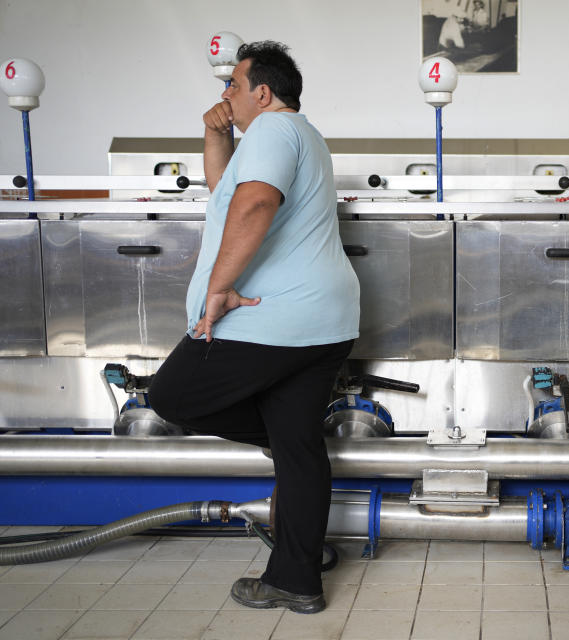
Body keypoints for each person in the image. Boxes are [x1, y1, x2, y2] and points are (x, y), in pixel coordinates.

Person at [150, 40, 360, 614]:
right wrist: (217, 135)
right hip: (324, 321)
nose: (225, 95)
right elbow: (227, 196)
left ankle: (277, 449)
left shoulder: (270, 131)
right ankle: (296, 577)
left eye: (232, 86)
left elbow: (253, 206)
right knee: (298, 446)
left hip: (271, 317)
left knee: (171, 395)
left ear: (261, 93)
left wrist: (217, 290)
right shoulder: (301, 134)